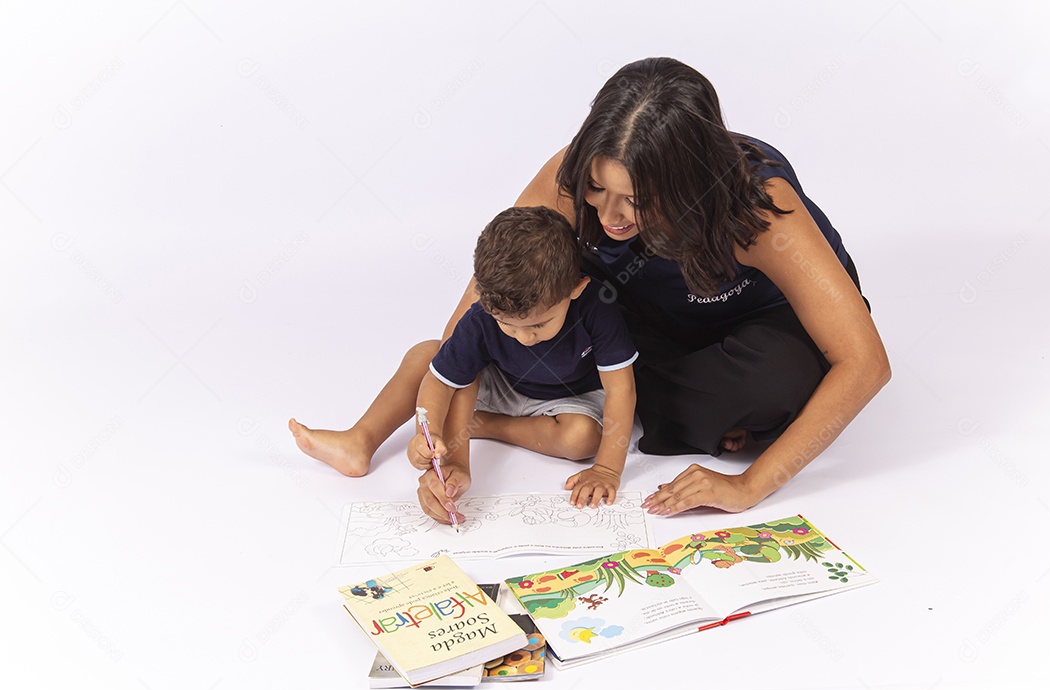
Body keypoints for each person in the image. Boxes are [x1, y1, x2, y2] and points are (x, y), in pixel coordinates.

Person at [290, 56, 890, 522]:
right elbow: (487, 300)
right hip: (646, 317)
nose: (611, 216)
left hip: (762, 325)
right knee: (554, 317)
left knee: (776, 381)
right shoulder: (572, 179)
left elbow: (864, 362)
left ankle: (694, 415)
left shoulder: (760, 208)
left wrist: (749, 485)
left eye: (637, 200)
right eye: (599, 190)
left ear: (689, 185)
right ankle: (651, 408)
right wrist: (447, 433)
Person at [407, 205, 638, 514]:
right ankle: (376, 437)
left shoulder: (597, 305)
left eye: (538, 325)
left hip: (571, 396)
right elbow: (441, 381)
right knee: (429, 357)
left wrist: (607, 470)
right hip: (503, 385)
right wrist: (430, 435)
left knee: (581, 439)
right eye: (507, 325)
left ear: (576, 289)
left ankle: (483, 425)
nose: (524, 337)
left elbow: (622, 390)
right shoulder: (483, 314)